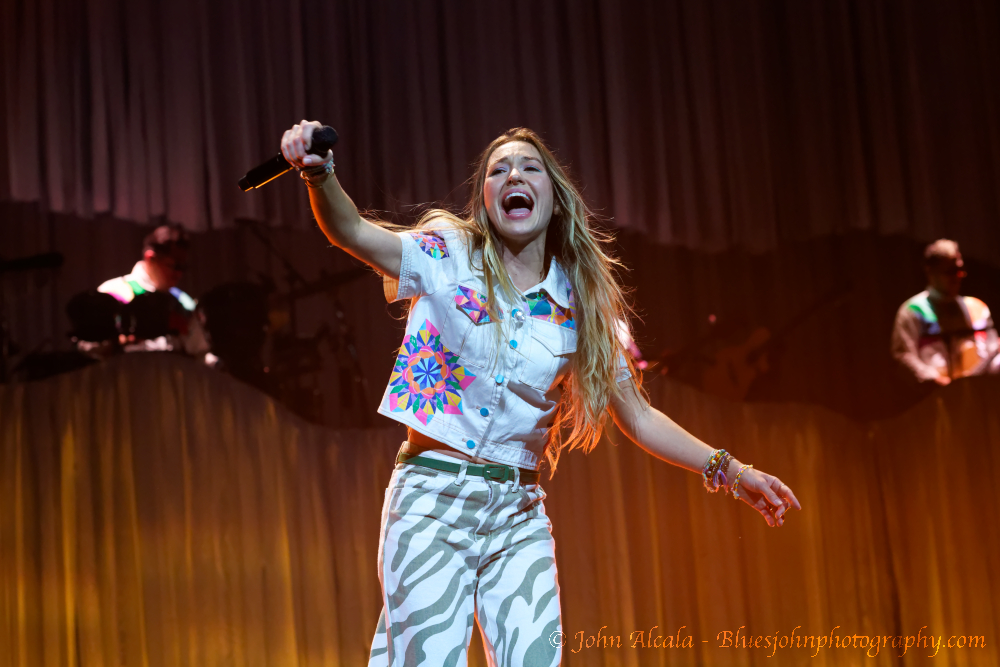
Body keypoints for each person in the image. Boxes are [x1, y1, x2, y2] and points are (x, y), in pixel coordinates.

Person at [281, 122, 801, 666]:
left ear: (554, 197)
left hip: (517, 516)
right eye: (498, 170)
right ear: (485, 200)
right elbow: (353, 232)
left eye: (529, 167)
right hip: (430, 502)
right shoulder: (447, 255)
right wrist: (319, 174)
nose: (514, 175)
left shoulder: (579, 304)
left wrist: (730, 470)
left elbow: (639, 416)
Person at [891, 239, 1000, 385]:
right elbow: (903, 356)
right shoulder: (913, 310)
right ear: (931, 272)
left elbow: (992, 349)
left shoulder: (977, 307)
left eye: (959, 270)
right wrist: (937, 382)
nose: (957, 277)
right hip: (935, 394)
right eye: (950, 272)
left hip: (979, 390)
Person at [91, 224, 209, 356]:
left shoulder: (184, 303)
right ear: (150, 258)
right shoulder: (114, 293)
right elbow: (91, 348)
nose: (179, 274)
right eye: (174, 266)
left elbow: (200, 352)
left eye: (183, 267)